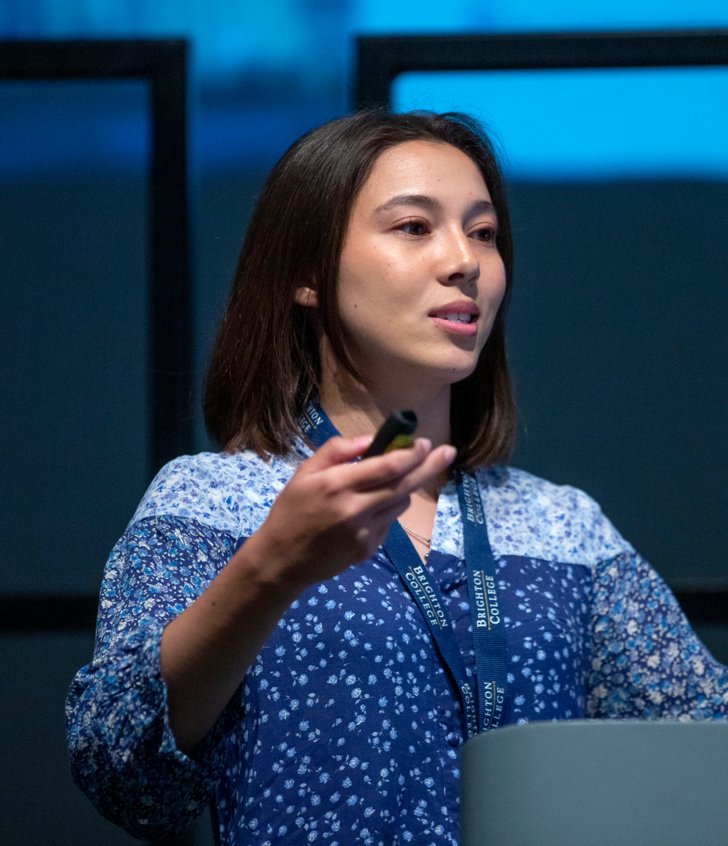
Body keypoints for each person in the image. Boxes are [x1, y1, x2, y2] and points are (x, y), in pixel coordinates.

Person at [66, 110, 728, 846]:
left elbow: (707, 738)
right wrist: (270, 569)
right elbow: (119, 769)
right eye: (415, 227)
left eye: (483, 233)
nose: (465, 261)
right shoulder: (210, 502)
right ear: (307, 276)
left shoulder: (562, 525)